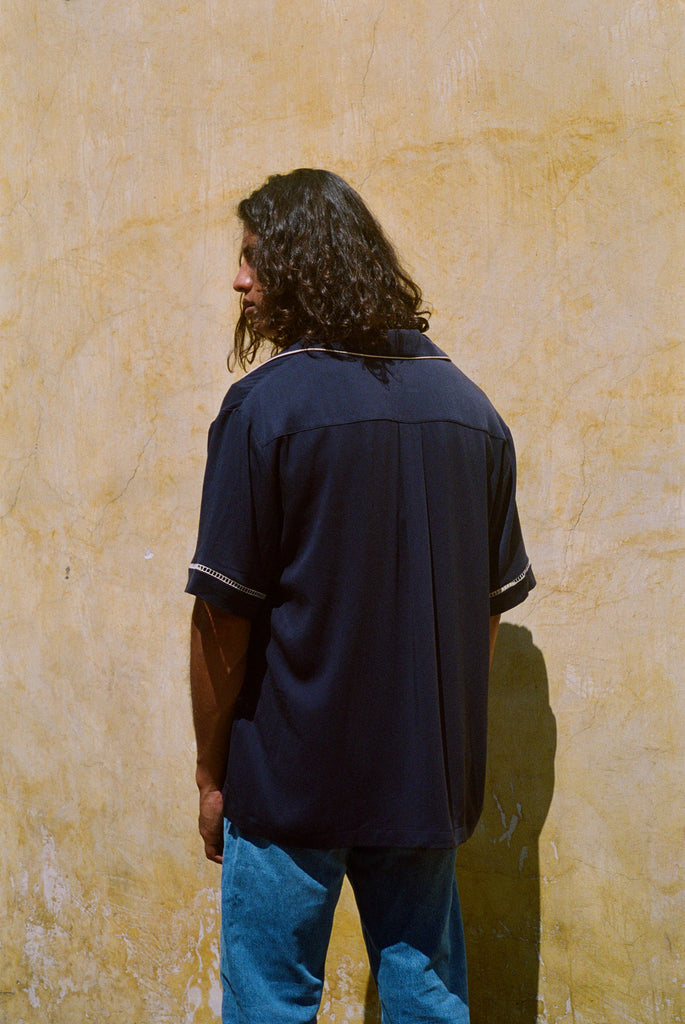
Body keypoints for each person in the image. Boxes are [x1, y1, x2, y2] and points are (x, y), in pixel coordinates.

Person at [186, 168, 535, 1024]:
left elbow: (220, 619)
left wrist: (209, 773)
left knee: (270, 1002)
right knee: (423, 998)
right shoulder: (470, 412)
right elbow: (483, 619)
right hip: (424, 779)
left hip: (287, 778)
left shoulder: (264, 409)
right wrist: (446, 748)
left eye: (253, 259)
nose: (239, 280)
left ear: (302, 264)